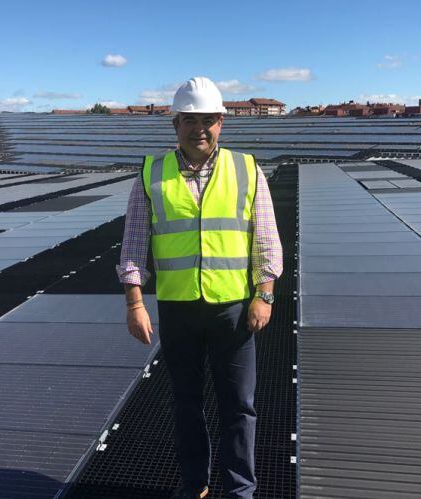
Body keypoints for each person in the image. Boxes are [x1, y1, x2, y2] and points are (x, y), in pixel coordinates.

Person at [116, 77, 283, 499]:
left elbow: (266, 238)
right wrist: (135, 304)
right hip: (178, 310)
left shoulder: (247, 169)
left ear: (221, 122)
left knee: (239, 406)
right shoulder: (151, 173)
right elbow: (133, 244)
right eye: (190, 120)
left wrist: (264, 294)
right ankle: (195, 485)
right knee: (185, 403)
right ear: (175, 124)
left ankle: (240, 490)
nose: (200, 129)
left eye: (208, 120)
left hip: (233, 309)